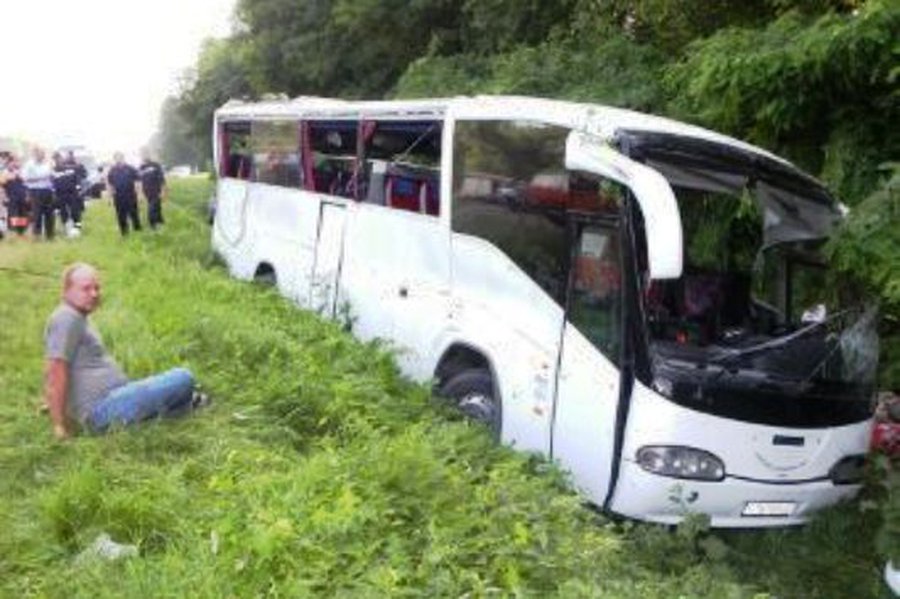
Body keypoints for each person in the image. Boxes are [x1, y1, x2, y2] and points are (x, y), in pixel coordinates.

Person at [44, 263, 208, 439]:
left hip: (116, 397)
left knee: (171, 387)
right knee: (184, 376)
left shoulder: (77, 316)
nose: (94, 294)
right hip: (102, 409)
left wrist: (52, 402)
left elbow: (58, 362)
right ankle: (183, 403)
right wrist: (58, 424)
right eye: (86, 289)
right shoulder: (66, 318)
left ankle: (182, 407)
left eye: (96, 288)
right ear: (67, 291)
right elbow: (56, 369)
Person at [21, 146, 56, 239]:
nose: (42, 155)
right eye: (40, 153)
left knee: (49, 214)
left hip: (47, 191)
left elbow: (51, 175)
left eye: (43, 153)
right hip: (35, 191)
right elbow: (25, 178)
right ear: (35, 154)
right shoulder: (29, 164)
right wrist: (41, 177)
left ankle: (50, 236)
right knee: (37, 214)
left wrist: (49, 176)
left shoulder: (47, 163)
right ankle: (37, 235)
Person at [106, 152, 141, 235]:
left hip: (131, 195)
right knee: (121, 215)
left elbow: (138, 181)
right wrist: (109, 198)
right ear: (114, 159)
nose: (118, 160)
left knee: (134, 214)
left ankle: (138, 231)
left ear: (123, 158)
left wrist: (139, 194)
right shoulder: (112, 170)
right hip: (118, 196)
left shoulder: (130, 168)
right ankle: (124, 233)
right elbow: (110, 185)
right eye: (116, 158)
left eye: (120, 158)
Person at [53, 151, 85, 235]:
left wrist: (78, 189)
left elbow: (78, 178)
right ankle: (66, 228)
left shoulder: (70, 168)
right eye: (55, 159)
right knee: (63, 212)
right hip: (60, 194)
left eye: (59, 158)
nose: (58, 160)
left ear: (62, 158)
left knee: (75, 211)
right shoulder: (53, 171)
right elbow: (52, 183)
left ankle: (78, 227)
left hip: (72, 193)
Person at [1, 155, 30, 235]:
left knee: (22, 214)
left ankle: (21, 232)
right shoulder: (5, 172)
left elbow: (26, 183)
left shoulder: (22, 171)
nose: (15, 163)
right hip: (11, 196)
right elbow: (2, 184)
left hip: (22, 196)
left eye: (17, 161)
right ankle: (13, 231)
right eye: (13, 162)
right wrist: (4, 197)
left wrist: (28, 196)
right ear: (9, 163)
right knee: (14, 214)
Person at [138, 150, 166, 229]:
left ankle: (153, 226)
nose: (144, 156)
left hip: (156, 191)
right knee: (157, 206)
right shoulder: (141, 167)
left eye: (145, 154)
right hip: (147, 192)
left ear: (149, 155)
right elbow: (140, 181)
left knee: (151, 209)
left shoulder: (156, 165)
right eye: (142, 155)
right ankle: (160, 220)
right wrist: (140, 193)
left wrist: (163, 191)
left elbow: (162, 179)